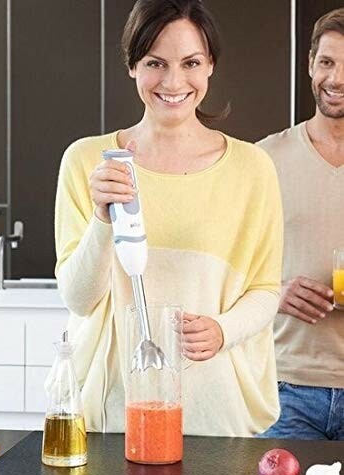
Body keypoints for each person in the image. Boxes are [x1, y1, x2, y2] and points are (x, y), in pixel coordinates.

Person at [54, 0, 283, 436]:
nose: (174, 81)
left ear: (210, 65)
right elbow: (79, 299)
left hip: (215, 413)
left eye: (191, 62)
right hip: (114, 415)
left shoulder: (252, 168)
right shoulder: (89, 161)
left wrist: (222, 329)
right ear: (132, 66)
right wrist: (103, 220)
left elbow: (265, 289)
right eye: (155, 63)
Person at [258, 8, 344, 440]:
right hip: (284, 390)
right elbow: (228, 269)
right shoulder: (264, 160)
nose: (336, 78)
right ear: (310, 64)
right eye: (327, 62)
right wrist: (276, 291)